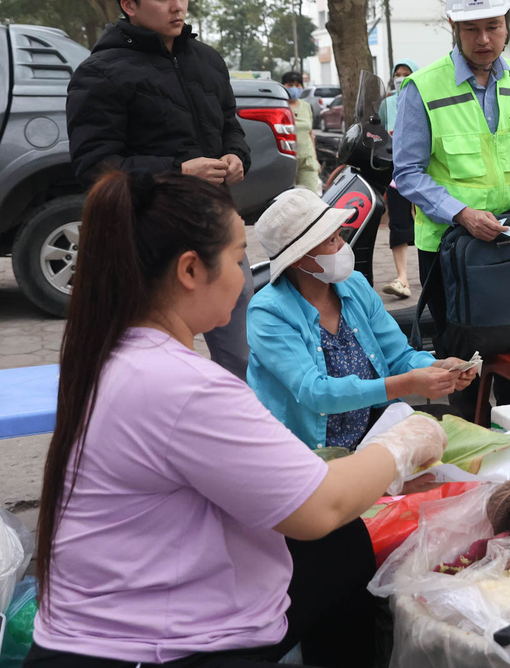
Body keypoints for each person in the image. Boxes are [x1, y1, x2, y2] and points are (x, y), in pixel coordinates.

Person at [27, 170, 447, 667]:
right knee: (338, 534)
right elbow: (322, 505)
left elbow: (395, 359)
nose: (245, 275)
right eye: (237, 257)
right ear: (190, 270)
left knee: (342, 545)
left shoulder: (119, 355)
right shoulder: (187, 383)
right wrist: (403, 443)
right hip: (147, 649)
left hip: (107, 629)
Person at [66, 0, 254, 381]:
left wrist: (236, 155)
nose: (177, 6)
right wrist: (178, 171)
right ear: (129, 5)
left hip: (215, 226)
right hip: (147, 238)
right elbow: (94, 165)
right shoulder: (99, 73)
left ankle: (235, 421)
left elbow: (230, 125)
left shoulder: (207, 61)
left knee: (242, 358)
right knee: (158, 363)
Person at [391, 0, 510, 417]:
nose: (484, 39)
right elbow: (407, 173)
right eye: (471, 29)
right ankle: (469, 435)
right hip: (450, 251)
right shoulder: (421, 88)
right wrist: (461, 213)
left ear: (508, 22)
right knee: (463, 368)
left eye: (493, 26)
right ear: (453, 27)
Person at [247, 188, 477, 449]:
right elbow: (315, 392)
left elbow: (398, 355)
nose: (342, 246)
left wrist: (436, 367)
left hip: (370, 427)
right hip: (305, 448)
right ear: (298, 259)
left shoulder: (354, 286)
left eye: (340, 236)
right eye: (331, 241)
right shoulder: (268, 312)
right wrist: (407, 384)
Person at [380, 60, 420, 299]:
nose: (401, 78)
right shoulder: (387, 104)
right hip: (397, 171)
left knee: (430, 221)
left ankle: (432, 274)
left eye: (406, 74)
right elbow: (378, 134)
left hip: (426, 171)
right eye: (397, 74)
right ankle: (402, 278)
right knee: (398, 221)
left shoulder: (424, 99)